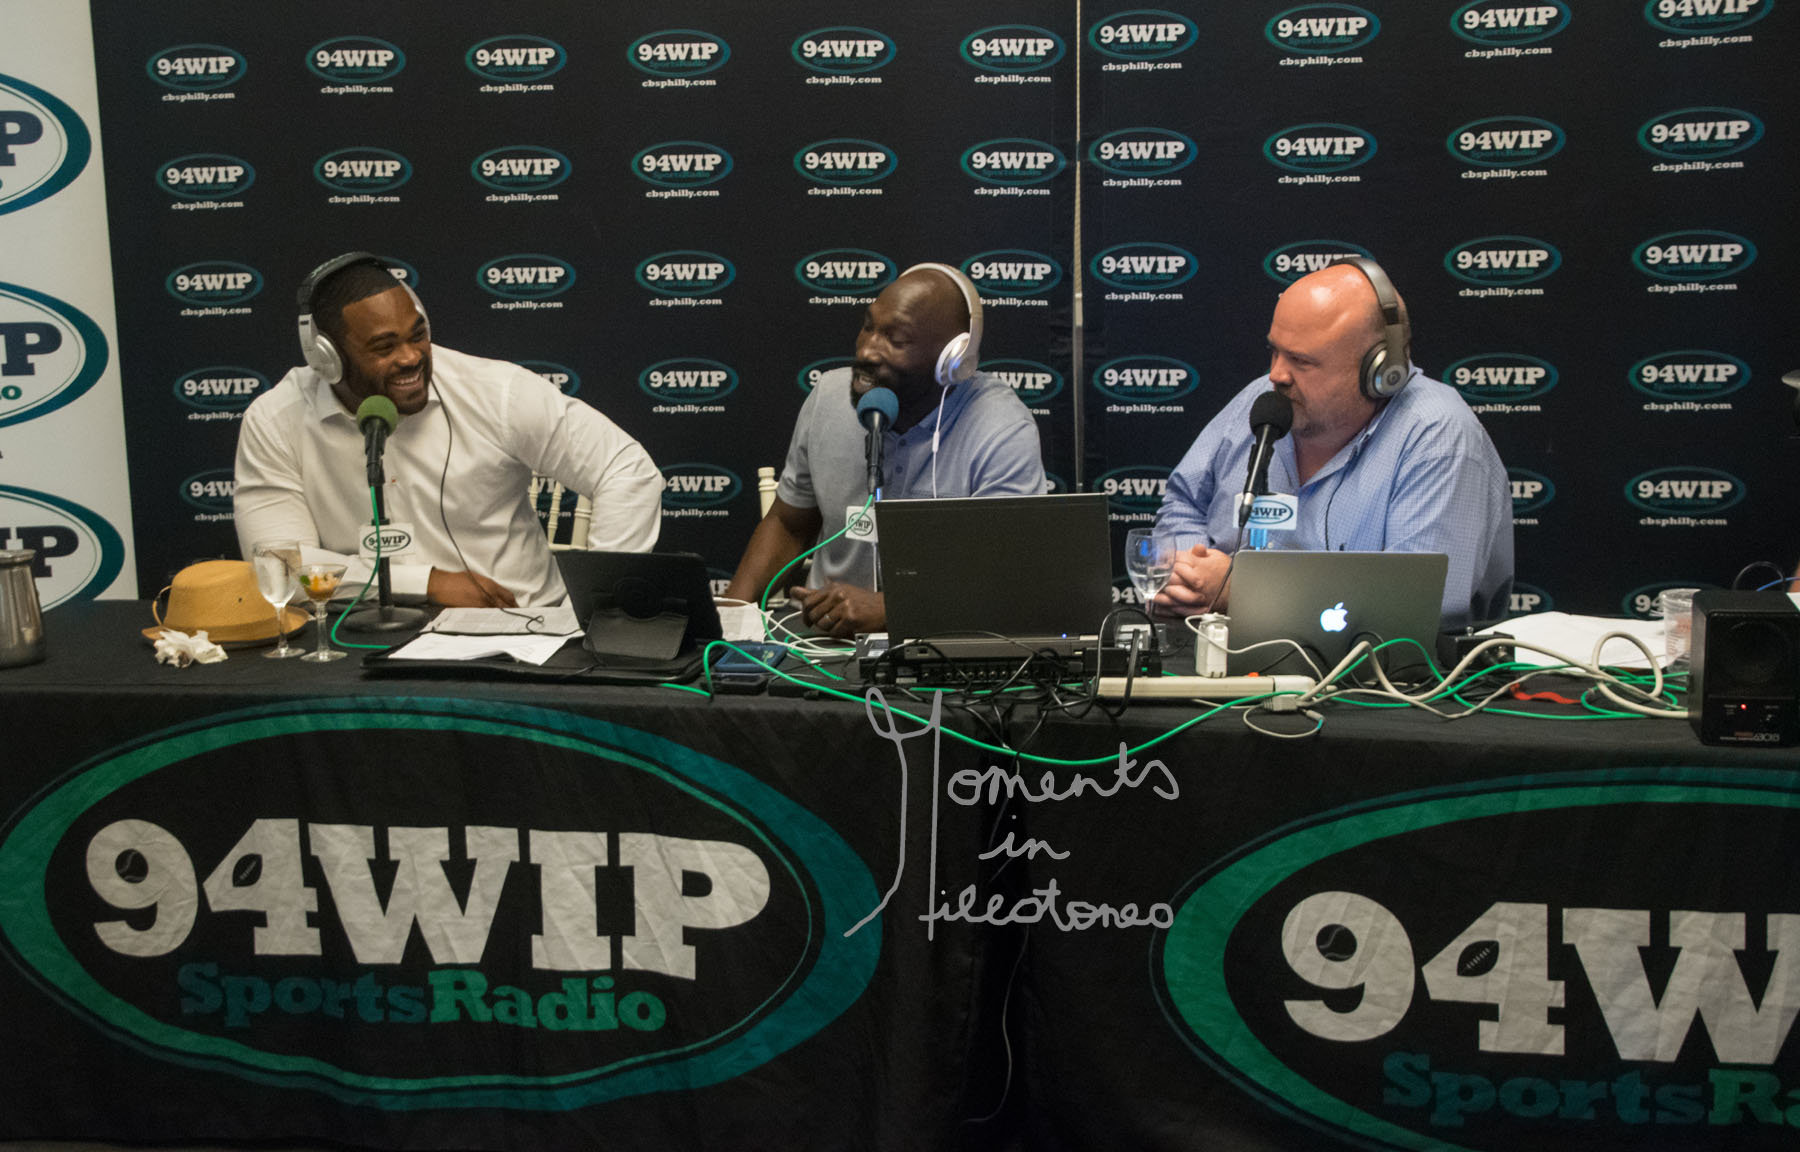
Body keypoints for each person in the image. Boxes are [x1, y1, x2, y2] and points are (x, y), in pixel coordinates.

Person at [234, 252, 663, 608]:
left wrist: (597, 604)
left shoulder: (496, 392)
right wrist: (428, 583)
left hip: (518, 630)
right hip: (363, 639)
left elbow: (625, 469)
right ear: (327, 358)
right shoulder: (276, 420)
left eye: (417, 335)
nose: (411, 357)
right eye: (384, 347)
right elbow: (278, 565)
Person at [1151, 258, 1512, 630]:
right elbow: (1184, 502)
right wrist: (1189, 577)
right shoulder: (1265, 397)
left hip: (1371, 665)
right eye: (1275, 351)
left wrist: (1240, 592)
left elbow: (1420, 604)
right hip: (1216, 650)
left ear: (1379, 371)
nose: (1277, 374)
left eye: (1301, 361)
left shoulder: (1439, 436)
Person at [724, 263, 1046, 638]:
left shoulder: (1001, 430)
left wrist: (890, 610)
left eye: (896, 340)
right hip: (819, 641)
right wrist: (726, 620)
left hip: (944, 644)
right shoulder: (829, 397)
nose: (867, 350)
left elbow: (1007, 578)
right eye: (868, 326)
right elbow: (788, 524)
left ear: (951, 361)